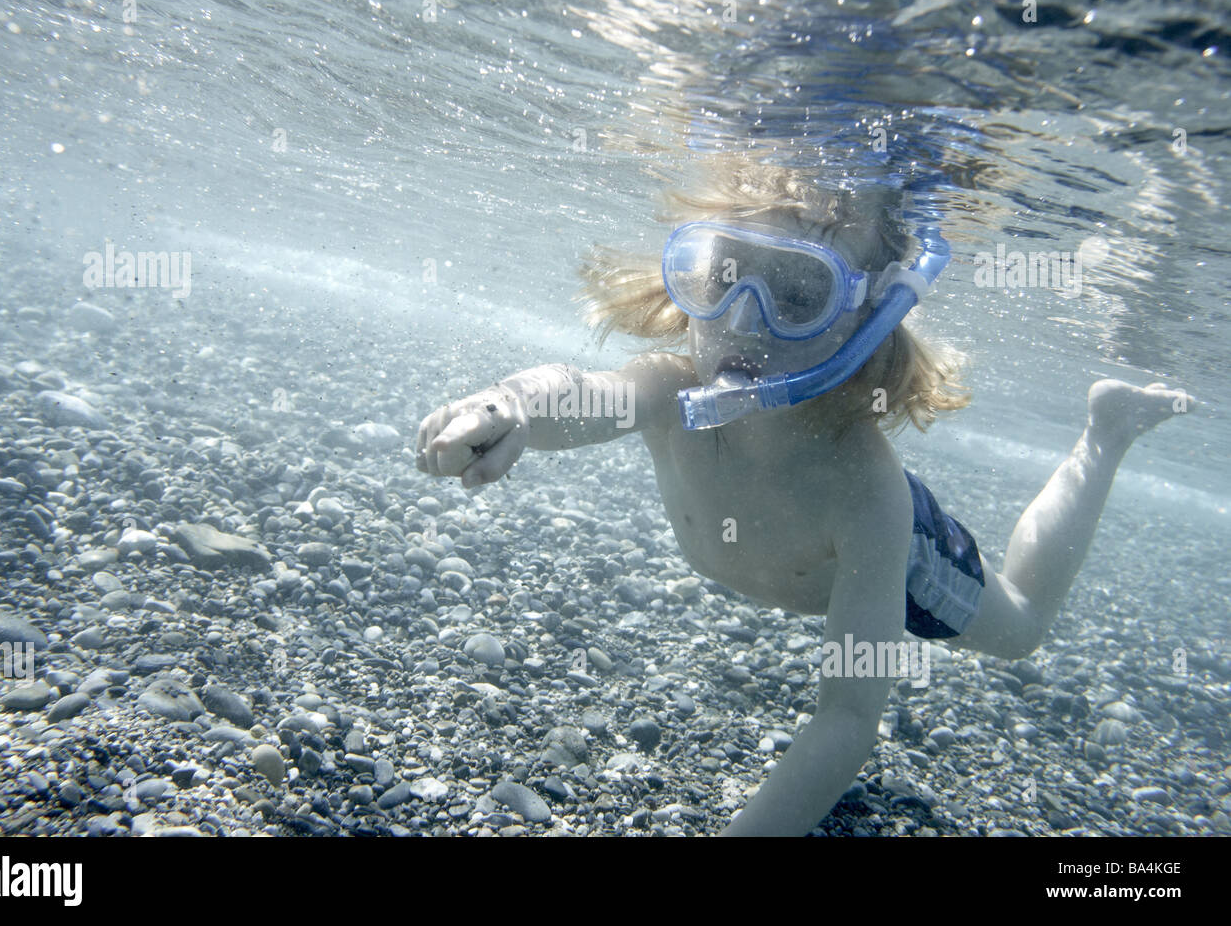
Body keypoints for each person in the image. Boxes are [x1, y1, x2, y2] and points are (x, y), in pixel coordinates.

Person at [414, 159, 1191, 836]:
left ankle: (1106, 432)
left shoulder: (869, 497)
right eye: (719, 276)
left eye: (797, 292)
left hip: (909, 558)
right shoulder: (663, 387)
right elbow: (580, 393)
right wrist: (507, 404)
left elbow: (848, 718)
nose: (743, 319)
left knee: (1019, 625)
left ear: (869, 314)